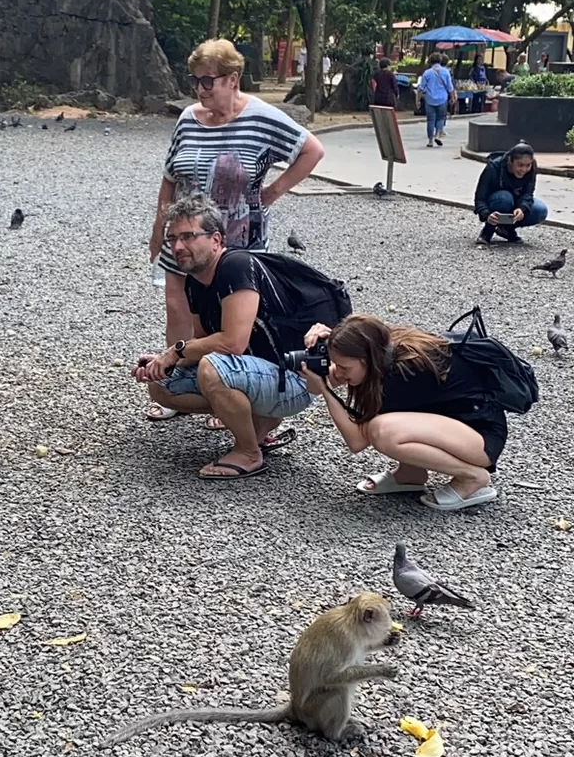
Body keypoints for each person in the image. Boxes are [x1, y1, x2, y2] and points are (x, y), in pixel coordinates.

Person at [147, 37, 324, 422]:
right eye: (195, 80)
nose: (200, 89)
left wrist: (273, 191)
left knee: (235, 317)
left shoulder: (262, 118)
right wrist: (159, 228)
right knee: (178, 305)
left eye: (208, 81)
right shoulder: (188, 118)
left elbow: (311, 150)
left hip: (238, 242)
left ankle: (230, 386)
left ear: (233, 79)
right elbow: (169, 176)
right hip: (183, 234)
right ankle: (182, 377)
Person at [134, 195, 313, 480]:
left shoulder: (236, 266)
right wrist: (162, 362)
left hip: (294, 380)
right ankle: (260, 422)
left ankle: (248, 452)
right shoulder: (195, 282)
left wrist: (175, 351)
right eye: (173, 239)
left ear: (216, 239)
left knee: (214, 368)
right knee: (161, 386)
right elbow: (204, 342)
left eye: (189, 236)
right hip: (259, 372)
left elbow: (232, 343)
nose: (179, 246)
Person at [299, 314, 505, 512]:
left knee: (383, 431)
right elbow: (315, 386)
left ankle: (472, 477)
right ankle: (410, 474)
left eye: (344, 367)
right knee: (390, 422)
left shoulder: (401, 373)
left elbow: (357, 442)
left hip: (481, 439)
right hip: (457, 428)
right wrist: (318, 355)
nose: (339, 372)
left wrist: (326, 389)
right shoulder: (381, 352)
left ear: (366, 359)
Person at [473, 142, 548, 245]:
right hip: (496, 202)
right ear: (510, 161)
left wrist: (522, 208)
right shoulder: (493, 167)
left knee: (540, 210)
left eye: (528, 165)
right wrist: (486, 215)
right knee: (504, 198)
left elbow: (528, 193)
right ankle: (487, 231)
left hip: (516, 203)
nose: (524, 170)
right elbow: (480, 197)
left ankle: (506, 229)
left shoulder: (531, 169)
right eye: (520, 165)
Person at [416, 53, 454, 147]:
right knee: (440, 118)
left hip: (429, 99)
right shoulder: (445, 72)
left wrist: (418, 100)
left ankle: (430, 141)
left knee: (430, 120)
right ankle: (437, 134)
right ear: (441, 61)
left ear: (430, 61)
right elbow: (450, 87)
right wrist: (452, 97)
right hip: (442, 99)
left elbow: (421, 88)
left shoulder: (427, 73)